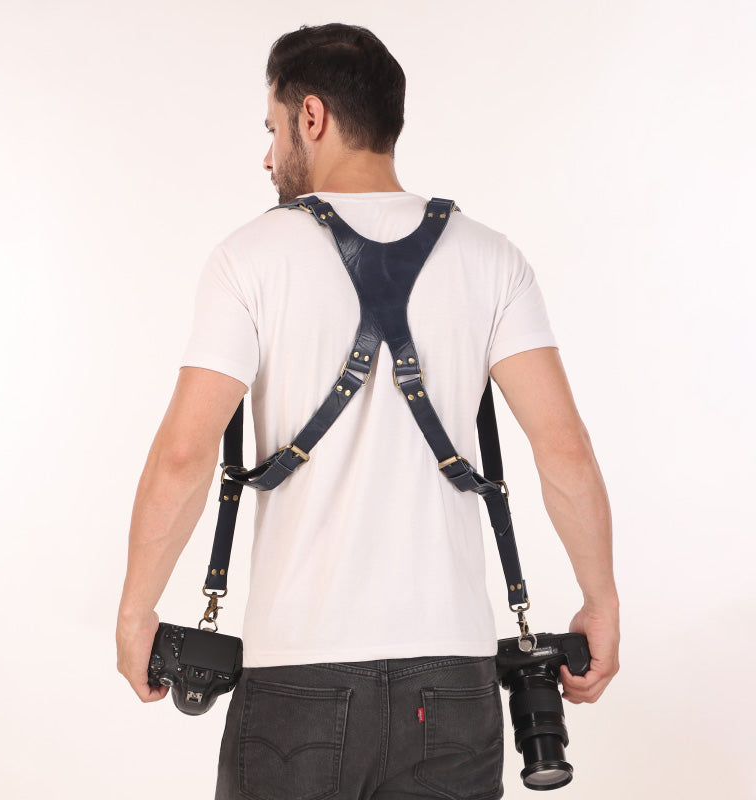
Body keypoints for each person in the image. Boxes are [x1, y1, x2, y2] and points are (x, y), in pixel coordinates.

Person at [116, 22, 619, 800]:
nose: (268, 155)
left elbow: (185, 455)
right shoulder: (492, 259)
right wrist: (601, 598)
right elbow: (565, 449)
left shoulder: (248, 259)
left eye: (272, 128)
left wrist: (136, 608)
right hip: (452, 682)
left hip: (297, 680)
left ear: (311, 116)